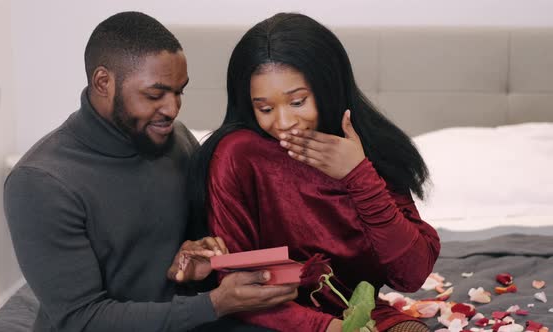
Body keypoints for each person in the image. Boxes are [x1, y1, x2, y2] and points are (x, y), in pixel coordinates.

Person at [3, 11, 297, 332]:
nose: (172, 109)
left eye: (179, 91)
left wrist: (196, 256)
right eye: (154, 95)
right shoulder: (40, 182)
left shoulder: (178, 140)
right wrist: (213, 304)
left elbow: (198, 243)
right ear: (104, 82)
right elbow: (81, 319)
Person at [189, 13, 441, 332]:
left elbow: (412, 274)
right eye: (265, 108)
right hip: (270, 317)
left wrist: (358, 175)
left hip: (356, 313)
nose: (282, 123)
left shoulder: (368, 148)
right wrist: (325, 328)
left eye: (297, 102)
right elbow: (239, 286)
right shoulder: (238, 154)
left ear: (328, 88)